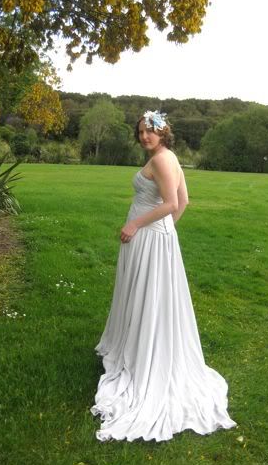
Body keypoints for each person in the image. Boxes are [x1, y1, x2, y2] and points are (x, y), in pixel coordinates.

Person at [90, 110, 237, 442]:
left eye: (150, 131)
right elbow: (184, 200)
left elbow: (172, 202)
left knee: (148, 297)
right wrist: (164, 232)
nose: (145, 136)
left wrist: (139, 225)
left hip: (147, 236)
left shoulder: (161, 160)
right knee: (146, 296)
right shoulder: (169, 157)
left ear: (163, 132)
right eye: (141, 131)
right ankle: (138, 345)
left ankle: (145, 358)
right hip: (155, 238)